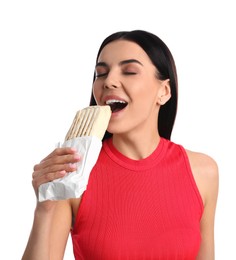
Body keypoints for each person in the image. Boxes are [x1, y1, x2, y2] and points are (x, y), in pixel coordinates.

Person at [22, 30, 219, 260]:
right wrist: (44, 210)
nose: (109, 82)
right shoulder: (74, 173)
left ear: (164, 92)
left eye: (130, 71)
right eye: (101, 74)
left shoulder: (203, 172)